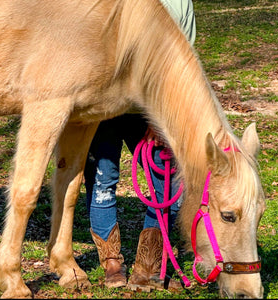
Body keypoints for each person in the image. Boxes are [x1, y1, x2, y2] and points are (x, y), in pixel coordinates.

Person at [84, 0, 196, 291]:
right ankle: (111, 262)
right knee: (102, 180)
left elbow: (183, 64)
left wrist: (161, 118)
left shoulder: (181, 2)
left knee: (170, 188)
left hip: (150, 111)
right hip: (103, 106)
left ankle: (147, 267)